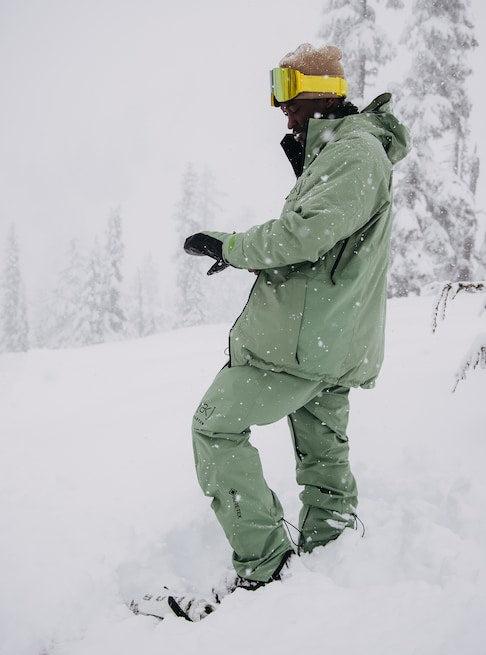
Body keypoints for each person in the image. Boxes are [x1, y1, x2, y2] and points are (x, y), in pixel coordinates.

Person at [131, 43, 410, 621]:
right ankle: (332, 553)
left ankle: (265, 566)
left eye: (287, 88)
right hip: (327, 340)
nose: (279, 105)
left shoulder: (355, 152)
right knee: (322, 452)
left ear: (321, 91)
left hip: (303, 345)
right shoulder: (346, 150)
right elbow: (324, 242)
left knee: (215, 427)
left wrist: (230, 246)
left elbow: (301, 236)